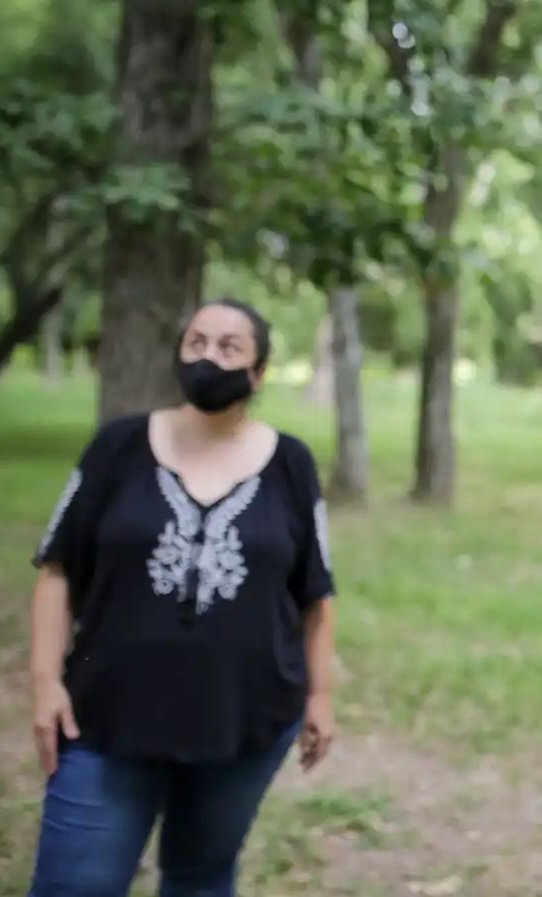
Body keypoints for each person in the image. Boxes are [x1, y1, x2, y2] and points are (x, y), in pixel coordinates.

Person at [26, 298, 338, 897]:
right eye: (196, 342)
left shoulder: (291, 464)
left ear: (259, 373)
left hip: (243, 722)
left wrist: (321, 696)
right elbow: (57, 568)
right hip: (106, 716)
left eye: (228, 347)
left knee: (201, 878)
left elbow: (315, 595)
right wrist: (45, 680)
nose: (207, 357)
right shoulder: (117, 448)